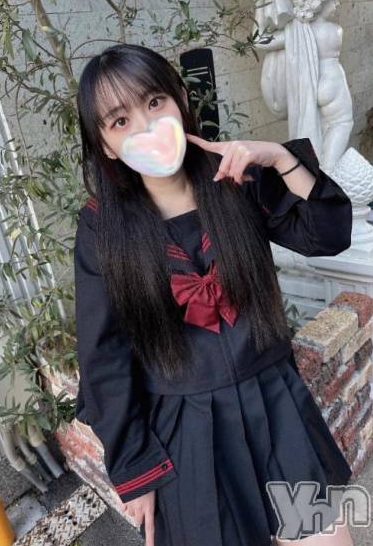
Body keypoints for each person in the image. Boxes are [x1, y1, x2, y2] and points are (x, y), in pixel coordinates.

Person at [73, 43, 354, 546]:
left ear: (181, 100)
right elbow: (104, 356)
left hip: (275, 403)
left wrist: (282, 158)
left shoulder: (237, 179)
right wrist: (136, 469)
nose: (146, 125)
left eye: (155, 101)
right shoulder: (103, 228)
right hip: (185, 430)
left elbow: (327, 235)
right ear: (107, 145)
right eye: (120, 120)